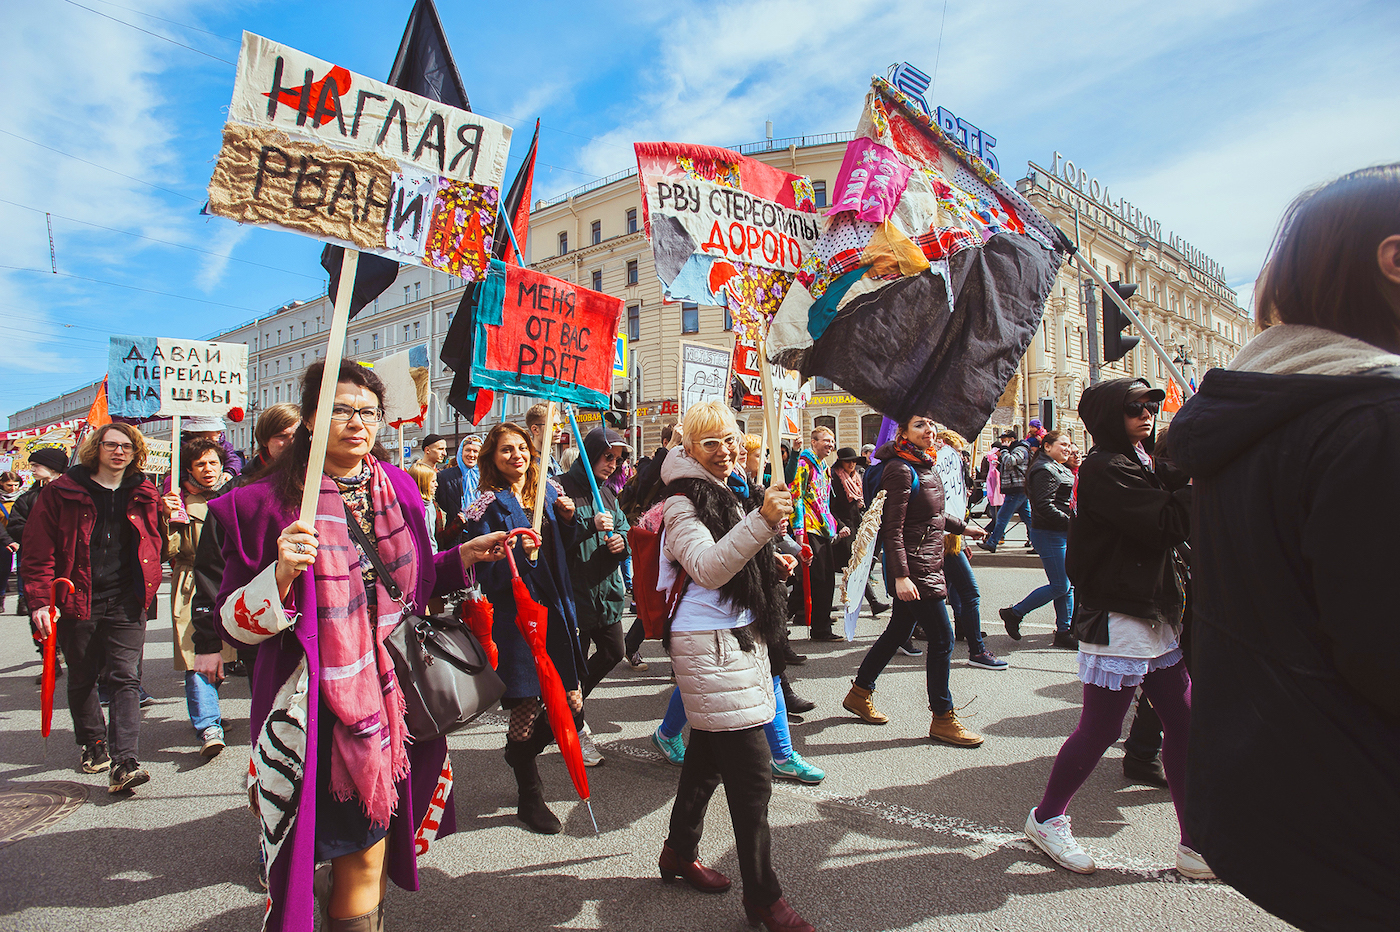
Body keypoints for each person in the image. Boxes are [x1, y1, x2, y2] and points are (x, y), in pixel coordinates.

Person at [1170, 165, 1400, 931]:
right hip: (1365, 819)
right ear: (1393, 261)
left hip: (1290, 806)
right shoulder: (1371, 423)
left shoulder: (1262, 421)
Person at [209, 360, 508, 931]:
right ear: (311, 419)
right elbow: (232, 623)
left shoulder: (398, 488)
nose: (356, 423)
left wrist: (465, 556)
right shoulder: (260, 505)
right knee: (324, 850)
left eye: (367, 412)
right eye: (340, 410)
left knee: (365, 852)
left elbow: (413, 584)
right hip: (311, 709)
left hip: (391, 703)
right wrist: (278, 577)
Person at [1022, 378, 1206, 880]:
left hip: (1151, 610)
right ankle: (1047, 818)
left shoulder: (1137, 459)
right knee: (1101, 729)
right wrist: (1199, 483)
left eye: (1153, 404)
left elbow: (1173, 473)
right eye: (1135, 407)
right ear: (1109, 415)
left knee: (1185, 726)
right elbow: (1169, 520)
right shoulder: (1106, 467)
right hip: (1120, 614)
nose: (1147, 414)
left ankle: (1194, 841)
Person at [655, 399, 813, 932]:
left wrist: (770, 557)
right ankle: (764, 900)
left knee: (705, 762)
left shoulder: (724, 491)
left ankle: (678, 851)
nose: (725, 451)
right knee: (753, 779)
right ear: (688, 449)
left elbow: (734, 557)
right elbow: (707, 567)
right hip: (710, 646)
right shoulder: (679, 502)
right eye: (711, 443)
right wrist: (763, 525)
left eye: (730, 439)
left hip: (735, 637)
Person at [464, 423, 603, 835]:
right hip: (518, 621)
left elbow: (565, 553)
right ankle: (530, 792)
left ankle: (517, 753)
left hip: (557, 614)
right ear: (492, 456)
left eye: (522, 447)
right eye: (506, 449)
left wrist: (569, 520)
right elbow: (482, 575)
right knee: (526, 710)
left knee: (574, 705)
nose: (517, 455)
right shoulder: (483, 504)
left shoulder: (548, 493)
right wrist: (518, 557)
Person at [22, 423, 162, 793]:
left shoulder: (145, 491)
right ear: (95, 448)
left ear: (136, 453)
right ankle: (93, 742)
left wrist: (170, 515)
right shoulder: (62, 491)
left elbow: (155, 541)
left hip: (127, 598)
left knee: (125, 677)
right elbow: (37, 552)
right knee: (83, 676)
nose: (119, 452)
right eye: (111, 445)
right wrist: (38, 601)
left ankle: (126, 761)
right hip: (76, 598)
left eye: (127, 447)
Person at [841, 414, 988, 746]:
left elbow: (935, 514)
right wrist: (902, 576)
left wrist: (965, 528)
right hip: (916, 568)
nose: (930, 430)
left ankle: (860, 691)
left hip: (930, 561)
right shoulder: (900, 469)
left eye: (932, 424)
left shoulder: (925, 464)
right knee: (943, 640)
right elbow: (892, 529)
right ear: (903, 432)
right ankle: (943, 718)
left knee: (898, 631)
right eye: (920, 424)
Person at [557, 426, 631, 766]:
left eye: (617, 460)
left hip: (607, 593)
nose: (613, 464)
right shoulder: (560, 488)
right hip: (574, 593)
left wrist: (621, 544)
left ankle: (563, 706)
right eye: (607, 457)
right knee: (574, 669)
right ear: (590, 453)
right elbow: (553, 542)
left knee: (614, 651)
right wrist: (587, 526)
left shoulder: (609, 493)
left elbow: (624, 530)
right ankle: (575, 729)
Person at [162, 437, 237, 759]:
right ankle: (208, 724)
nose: (208, 470)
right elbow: (166, 552)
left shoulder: (235, 496)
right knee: (197, 652)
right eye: (201, 464)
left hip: (228, 580)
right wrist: (168, 522)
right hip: (191, 582)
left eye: (214, 463)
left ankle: (210, 708)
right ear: (189, 469)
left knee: (226, 651)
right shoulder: (178, 501)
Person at [999, 429, 1077, 650]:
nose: (1067, 448)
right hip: (1050, 533)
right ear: (1047, 446)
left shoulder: (1057, 466)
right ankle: (1014, 613)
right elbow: (1044, 506)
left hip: (1061, 531)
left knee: (1066, 585)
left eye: (1069, 444)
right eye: (1063, 444)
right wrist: (1072, 522)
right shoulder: (1044, 469)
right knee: (1061, 585)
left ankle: (1064, 630)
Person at [935, 430, 1006, 671]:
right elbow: (936, 511)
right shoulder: (926, 469)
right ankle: (976, 649)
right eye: (955, 451)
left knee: (952, 594)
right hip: (939, 541)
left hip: (950, 539)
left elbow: (953, 505)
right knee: (968, 593)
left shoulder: (949, 468)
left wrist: (962, 539)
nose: (959, 457)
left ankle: (966, 633)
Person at [789, 426, 846, 640]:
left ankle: (820, 625)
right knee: (816, 579)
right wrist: (799, 533)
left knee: (825, 579)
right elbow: (797, 496)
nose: (830, 444)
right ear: (813, 442)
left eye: (832, 441)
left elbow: (825, 502)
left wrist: (834, 524)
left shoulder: (824, 467)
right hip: (809, 527)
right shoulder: (804, 464)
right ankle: (817, 627)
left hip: (823, 529)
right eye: (825, 440)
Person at [5, 446, 69, 624]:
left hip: (68, 561)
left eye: (36, 465)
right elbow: (16, 525)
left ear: (52, 466)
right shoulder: (28, 498)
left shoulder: (74, 495)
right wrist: (40, 534)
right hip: (36, 556)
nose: (32, 470)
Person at [829, 447, 890, 618]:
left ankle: (859, 603)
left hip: (855, 527)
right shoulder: (834, 477)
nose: (852, 464)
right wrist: (840, 525)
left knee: (854, 567)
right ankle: (872, 602)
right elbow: (830, 507)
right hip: (843, 529)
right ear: (841, 462)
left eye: (854, 461)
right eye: (848, 461)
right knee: (854, 567)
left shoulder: (855, 477)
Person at [980, 427, 1031, 551]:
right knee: (1028, 518)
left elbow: (1010, 461)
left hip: (1017, 487)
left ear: (1012, 439)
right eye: (1002, 440)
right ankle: (1039, 543)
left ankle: (992, 542)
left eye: (1005, 440)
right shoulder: (1012, 450)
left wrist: (1004, 451)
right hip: (1016, 487)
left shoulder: (1020, 449)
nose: (1003, 442)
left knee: (1002, 516)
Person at [433, 435, 481, 550]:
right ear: (461, 452)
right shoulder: (445, 477)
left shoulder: (488, 477)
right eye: (468, 450)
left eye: (475, 451)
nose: (471, 454)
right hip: (456, 537)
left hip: (482, 535)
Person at [406, 462, 443, 553]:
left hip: (433, 552)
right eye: (433, 481)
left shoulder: (432, 505)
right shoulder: (413, 507)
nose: (436, 485)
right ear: (423, 483)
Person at [0, 471, 23, 613]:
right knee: (3, 570)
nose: (13, 488)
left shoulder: (23, 498)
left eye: (16, 485)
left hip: (21, 537)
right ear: (1, 483)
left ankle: (22, 601)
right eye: (9, 485)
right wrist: (7, 540)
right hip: (2, 538)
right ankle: (1, 597)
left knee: (23, 569)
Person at [525, 402, 566, 478]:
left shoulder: (553, 462)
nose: (559, 429)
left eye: (560, 425)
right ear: (535, 430)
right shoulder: (529, 465)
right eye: (553, 425)